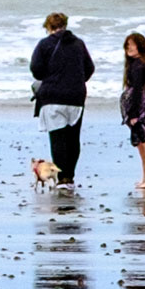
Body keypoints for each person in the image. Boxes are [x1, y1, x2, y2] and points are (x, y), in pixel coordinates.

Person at [29, 12, 96, 185]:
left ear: (48, 27)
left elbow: (36, 69)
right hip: (76, 96)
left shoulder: (44, 44)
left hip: (53, 97)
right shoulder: (79, 44)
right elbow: (89, 68)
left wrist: (51, 77)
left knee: (58, 138)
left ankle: (61, 177)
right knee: (73, 138)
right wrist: (75, 80)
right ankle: (69, 175)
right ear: (65, 25)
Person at [120, 30, 145, 188]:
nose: (128, 48)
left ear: (140, 46)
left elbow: (137, 90)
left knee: (142, 142)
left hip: (142, 105)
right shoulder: (143, 63)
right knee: (144, 141)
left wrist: (133, 114)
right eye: (127, 45)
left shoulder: (138, 66)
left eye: (132, 45)